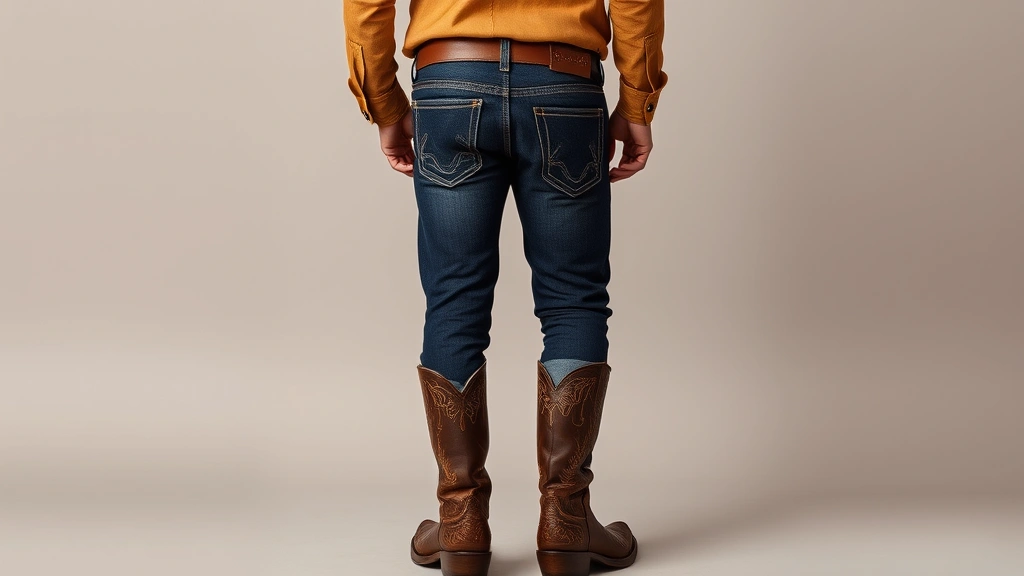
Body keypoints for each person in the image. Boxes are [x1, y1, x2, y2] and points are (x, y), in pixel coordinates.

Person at [342, 2, 667, 575]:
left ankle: (461, 523)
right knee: (573, 299)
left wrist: (384, 100)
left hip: (448, 83)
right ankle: (566, 522)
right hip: (564, 84)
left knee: (454, 300)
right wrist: (637, 97)